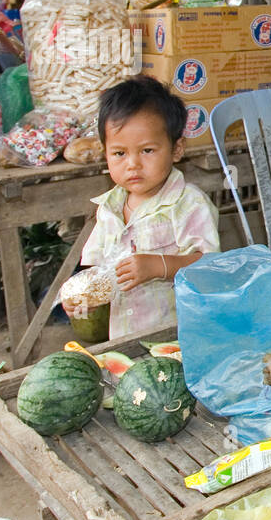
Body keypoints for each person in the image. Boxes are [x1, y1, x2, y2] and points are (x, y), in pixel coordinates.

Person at [62, 76, 220, 339]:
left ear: (176, 149)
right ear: (105, 153)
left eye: (147, 150)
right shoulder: (108, 208)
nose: (132, 164)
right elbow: (95, 270)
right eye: (119, 153)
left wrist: (161, 266)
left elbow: (212, 267)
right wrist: (81, 296)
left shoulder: (188, 204)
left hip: (179, 337)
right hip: (124, 337)